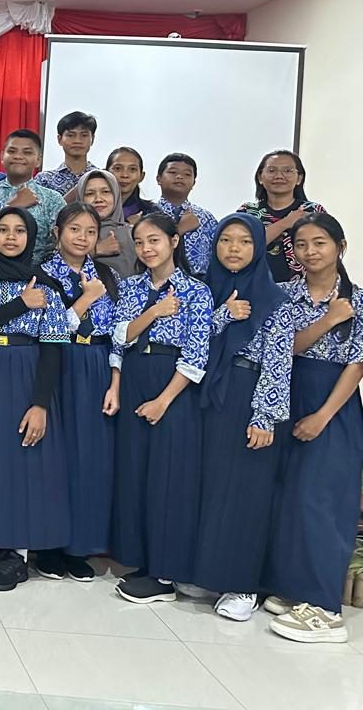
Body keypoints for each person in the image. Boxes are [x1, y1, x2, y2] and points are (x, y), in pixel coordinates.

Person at [0, 208, 71, 592]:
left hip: (25, 370)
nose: (10, 237)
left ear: (31, 237)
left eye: (19, 231)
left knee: (23, 461)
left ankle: (17, 555)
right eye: (3, 229)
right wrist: (21, 303)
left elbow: (53, 347)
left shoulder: (47, 284)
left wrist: (40, 403)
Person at [263, 214, 363, 644]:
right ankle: (296, 589)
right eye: (301, 244)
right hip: (287, 391)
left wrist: (322, 416)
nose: (310, 252)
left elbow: (357, 365)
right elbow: (281, 349)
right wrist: (327, 319)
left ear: (340, 246)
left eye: (319, 243)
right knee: (288, 496)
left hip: (333, 402)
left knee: (321, 501)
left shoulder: (358, 301)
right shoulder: (284, 294)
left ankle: (325, 610)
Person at [191, 213, 293, 621]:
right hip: (204, 394)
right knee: (209, 486)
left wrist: (264, 417)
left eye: (245, 242)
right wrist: (223, 314)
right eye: (226, 240)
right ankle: (208, 574)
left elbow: (278, 363)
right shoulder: (204, 290)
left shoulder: (273, 299)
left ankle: (242, 585)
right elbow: (189, 337)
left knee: (244, 492)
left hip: (246, 395)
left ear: (258, 248)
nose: (234, 249)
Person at [110, 212, 214, 603]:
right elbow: (120, 336)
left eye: (154, 240)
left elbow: (196, 353)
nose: (146, 248)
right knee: (135, 472)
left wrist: (164, 400)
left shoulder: (196, 291)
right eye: (139, 242)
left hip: (173, 384)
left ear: (173, 241)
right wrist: (153, 312)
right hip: (135, 374)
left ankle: (165, 573)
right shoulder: (131, 286)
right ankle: (141, 561)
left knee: (168, 478)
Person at [36, 203, 122, 581]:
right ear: (57, 232)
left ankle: (81, 546)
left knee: (92, 457)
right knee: (58, 455)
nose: (82, 238)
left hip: (98, 363)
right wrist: (86, 298)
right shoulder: (43, 273)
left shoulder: (107, 274)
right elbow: (52, 325)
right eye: (74, 229)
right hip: (60, 361)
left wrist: (115, 380)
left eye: (90, 231)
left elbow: (119, 331)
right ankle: (49, 545)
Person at [238, 150, 326, 283]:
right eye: (271, 170)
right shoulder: (248, 212)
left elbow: (325, 249)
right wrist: (285, 223)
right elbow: (242, 248)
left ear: (299, 178)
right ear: (260, 177)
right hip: (254, 287)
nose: (279, 176)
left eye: (288, 171)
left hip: (303, 289)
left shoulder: (313, 211)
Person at [0, 130, 65, 262]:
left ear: (38, 160)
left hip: (36, 272)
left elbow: (60, 244)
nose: (18, 156)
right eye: (12, 151)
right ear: (2, 156)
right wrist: (12, 205)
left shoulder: (52, 199)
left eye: (27, 152)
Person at [154, 153, 217, 274]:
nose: (179, 177)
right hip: (157, 280)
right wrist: (180, 229)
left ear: (194, 183)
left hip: (201, 282)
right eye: (173, 172)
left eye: (187, 174)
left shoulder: (206, 218)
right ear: (158, 179)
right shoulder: (147, 214)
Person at [76, 169, 138, 278]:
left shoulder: (135, 234)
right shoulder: (71, 233)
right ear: (81, 197)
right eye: (90, 194)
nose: (98, 199)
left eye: (105, 192)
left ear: (116, 195)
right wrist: (95, 250)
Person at [35, 110, 97, 198]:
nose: (77, 141)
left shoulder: (101, 177)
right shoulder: (44, 180)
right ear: (59, 139)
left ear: (92, 139)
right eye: (71, 135)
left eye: (84, 135)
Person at [106, 147, 158, 224]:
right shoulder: (95, 208)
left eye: (132, 169)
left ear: (141, 176)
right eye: (118, 168)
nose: (125, 175)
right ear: (106, 173)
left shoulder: (151, 212)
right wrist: (127, 224)